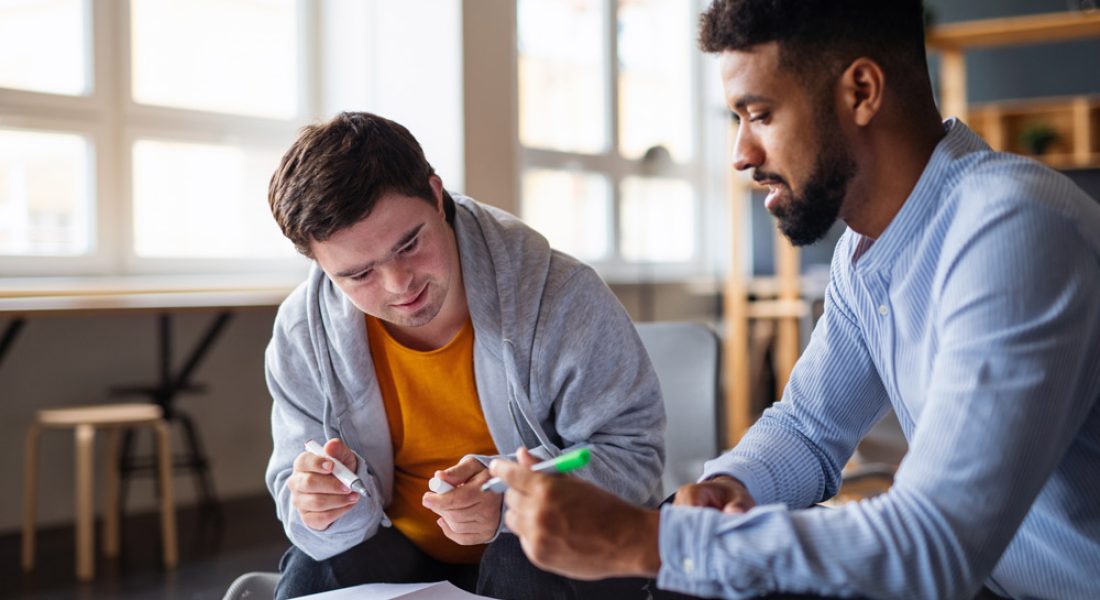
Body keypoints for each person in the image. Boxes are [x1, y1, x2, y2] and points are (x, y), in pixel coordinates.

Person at [489, 1, 1100, 599]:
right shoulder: (865, 255)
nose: (740, 154)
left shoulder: (1014, 228)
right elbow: (810, 429)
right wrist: (732, 483)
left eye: (759, 113)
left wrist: (646, 540)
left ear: (861, 91)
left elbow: (931, 546)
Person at [262, 111, 666, 600]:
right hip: (402, 546)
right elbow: (295, 482)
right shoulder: (304, 331)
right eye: (359, 275)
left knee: (524, 559)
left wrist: (512, 500)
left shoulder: (560, 295)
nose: (399, 285)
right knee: (314, 572)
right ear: (320, 265)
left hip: (544, 549)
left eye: (409, 244)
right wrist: (319, 506)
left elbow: (634, 456)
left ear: (436, 195)